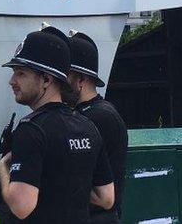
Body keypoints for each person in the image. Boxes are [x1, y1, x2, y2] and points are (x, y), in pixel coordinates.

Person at [0, 28, 115, 222]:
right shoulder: (88, 126)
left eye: (21, 73)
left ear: (46, 80)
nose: (12, 81)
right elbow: (106, 198)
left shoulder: (31, 130)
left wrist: (2, 167)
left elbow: (21, 206)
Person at [67, 31, 129, 224]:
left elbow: (96, 189)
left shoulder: (99, 116)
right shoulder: (89, 112)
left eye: (65, 76)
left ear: (81, 79)